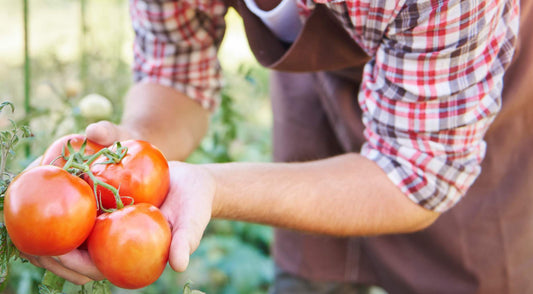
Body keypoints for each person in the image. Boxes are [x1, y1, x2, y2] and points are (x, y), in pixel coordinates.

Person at [25, 0, 533, 293]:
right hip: (319, 67)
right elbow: (175, 67)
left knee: (476, 273)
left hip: (457, 82)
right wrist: (126, 155)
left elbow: (413, 174)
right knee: (309, 278)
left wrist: (215, 187)